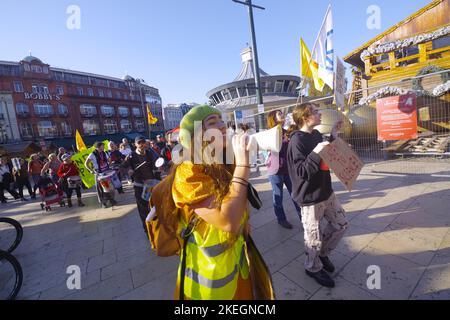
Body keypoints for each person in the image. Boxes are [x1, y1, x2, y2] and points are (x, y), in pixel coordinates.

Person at [152, 104, 272, 300]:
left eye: (222, 120)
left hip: (237, 270)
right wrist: (243, 164)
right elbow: (228, 222)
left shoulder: (222, 161)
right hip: (209, 285)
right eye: (212, 123)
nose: (223, 126)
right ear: (196, 136)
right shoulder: (187, 172)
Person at [286, 102, 347, 288]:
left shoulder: (317, 134)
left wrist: (334, 136)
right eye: (315, 111)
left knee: (341, 225)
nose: (320, 114)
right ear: (305, 117)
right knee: (313, 237)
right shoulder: (296, 141)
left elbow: (325, 153)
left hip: (326, 191)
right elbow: (302, 172)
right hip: (310, 198)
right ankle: (312, 267)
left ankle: (322, 254)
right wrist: (317, 151)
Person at [266, 110, 302, 229]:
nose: (282, 115)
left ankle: (304, 218)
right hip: (275, 170)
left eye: (282, 113)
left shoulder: (287, 132)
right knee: (278, 196)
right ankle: (281, 219)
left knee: (295, 194)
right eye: (279, 114)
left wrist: (293, 124)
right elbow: (274, 149)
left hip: (288, 168)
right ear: (273, 118)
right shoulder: (270, 134)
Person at [121, 136, 158, 233]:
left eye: (143, 142)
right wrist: (128, 170)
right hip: (140, 186)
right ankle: (147, 229)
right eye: (139, 143)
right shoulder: (131, 156)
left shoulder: (150, 153)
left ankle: (156, 225)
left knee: (155, 207)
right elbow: (122, 167)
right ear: (135, 144)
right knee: (143, 209)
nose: (141, 144)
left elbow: (157, 162)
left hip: (152, 184)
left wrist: (159, 166)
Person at [85, 142, 117, 208]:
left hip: (106, 172)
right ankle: (104, 203)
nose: (103, 147)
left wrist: (111, 165)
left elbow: (109, 160)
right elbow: (86, 164)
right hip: (99, 174)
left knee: (111, 188)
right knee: (103, 189)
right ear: (98, 147)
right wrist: (91, 170)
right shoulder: (92, 154)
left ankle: (111, 199)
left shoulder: (104, 153)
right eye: (102, 146)